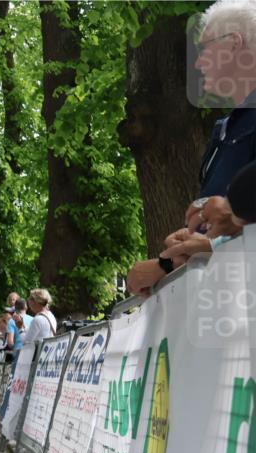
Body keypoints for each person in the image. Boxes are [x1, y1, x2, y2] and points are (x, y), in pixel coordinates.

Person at [127, 0, 256, 295]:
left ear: (234, 44)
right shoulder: (223, 129)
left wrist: (168, 263)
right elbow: (220, 232)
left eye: (205, 48)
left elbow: (234, 220)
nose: (198, 63)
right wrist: (179, 251)